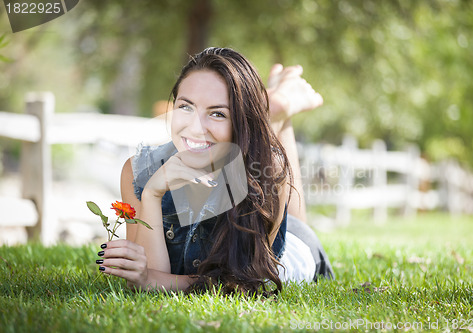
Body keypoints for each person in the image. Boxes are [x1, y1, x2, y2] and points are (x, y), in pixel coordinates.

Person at [95, 47, 334, 295]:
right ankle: (273, 108)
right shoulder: (138, 171)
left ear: (241, 121)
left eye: (218, 113)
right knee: (270, 160)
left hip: (289, 256)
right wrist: (153, 194)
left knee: (281, 187)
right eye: (186, 107)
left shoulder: (265, 169)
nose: (196, 128)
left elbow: (242, 282)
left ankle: (279, 107)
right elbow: (147, 278)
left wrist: (155, 280)